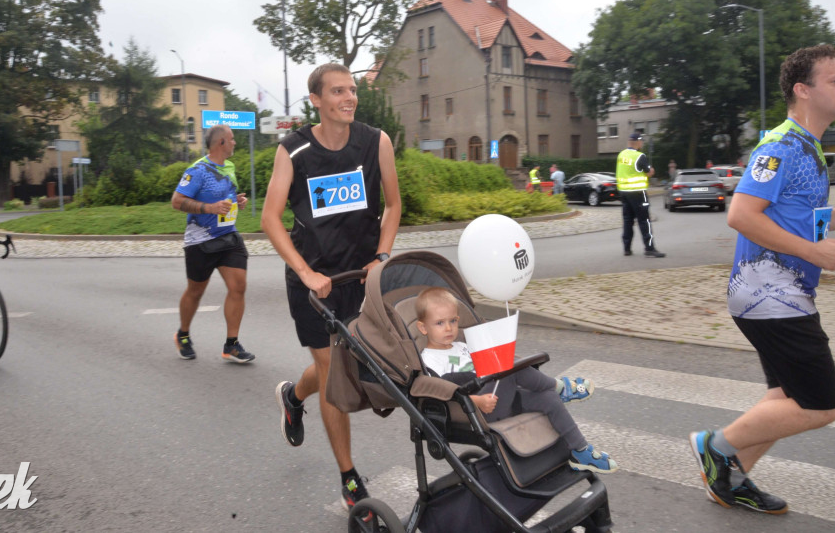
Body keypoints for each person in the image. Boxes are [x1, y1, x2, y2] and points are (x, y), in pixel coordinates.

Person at [689, 45, 835, 515]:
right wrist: (811, 253)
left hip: (779, 294)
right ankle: (716, 447)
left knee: (782, 398)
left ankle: (730, 481)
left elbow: (805, 218)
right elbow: (741, 215)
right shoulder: (781, 147)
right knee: (823, 405)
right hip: (770, 296)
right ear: (803, 91)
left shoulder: (809, 149)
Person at [263, 63, 402, 512]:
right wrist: (305, 272)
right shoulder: (295, 150)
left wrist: (380, 257)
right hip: (315, 282)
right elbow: (270, 219)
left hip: (359, 276)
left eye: (352, 90)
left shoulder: (375, 142)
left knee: (338, 367)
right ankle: (349, 477)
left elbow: (394, 205)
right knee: (334, 373)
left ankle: (292, 395)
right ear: (316, 101)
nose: (349, 97)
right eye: (338, 91)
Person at [416, 287, 616, 473]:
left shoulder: (462, 346)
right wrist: (476, 402)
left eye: (453, 321)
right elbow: (443, 392)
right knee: (507, 365)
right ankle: (561, 387)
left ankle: (580, 451)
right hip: (477, 409)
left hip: (500, 396)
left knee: (547, 398)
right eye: (440, 323)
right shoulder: (428, 359)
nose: (449, 328)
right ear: (423, 328)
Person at [170, 123, 254, 363]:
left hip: (228, 236)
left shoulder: (228, 167)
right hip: (200, 241)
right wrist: (209, 208)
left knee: (238, 286)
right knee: (195, 292)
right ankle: (183, 335)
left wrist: (235, 201)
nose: (235, 142)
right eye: (232, 139)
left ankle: (232, 345)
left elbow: (222, 198)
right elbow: (176, 201)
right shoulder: (197, 171)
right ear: (221, 143)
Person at [616, 133, 664, 257]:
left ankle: (627, 249)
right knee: (644, 220)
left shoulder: (621, 155)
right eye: (641, 141)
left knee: (627, 221)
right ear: (637, 142)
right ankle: (649, 249)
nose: (642, 144)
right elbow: (649, 172)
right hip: (638, 192)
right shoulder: (639, 156)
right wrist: (651, 171)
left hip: (624, 193)